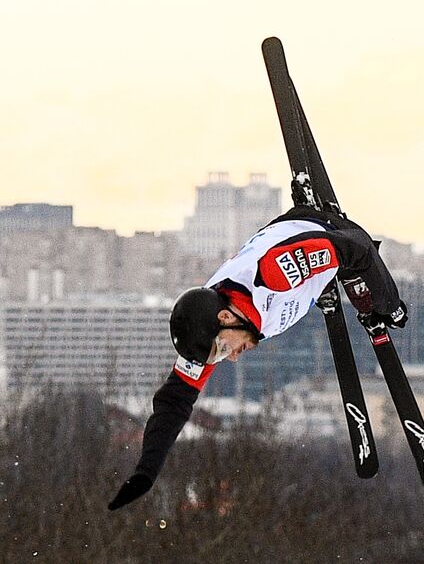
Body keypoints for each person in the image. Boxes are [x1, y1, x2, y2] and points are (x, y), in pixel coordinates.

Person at [107, 204, 406, 511]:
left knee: (350, 267)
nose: (232, 358)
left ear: (225, 316)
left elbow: (359, 246)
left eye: (224, 349)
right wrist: (145, 473)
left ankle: (335, 279)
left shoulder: (276, 273)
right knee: (290, 301)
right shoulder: (209, 324)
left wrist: (388, 305)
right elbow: (173, 401)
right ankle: (322, 283)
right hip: (298, 264)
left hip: (325, 232)